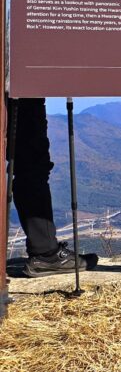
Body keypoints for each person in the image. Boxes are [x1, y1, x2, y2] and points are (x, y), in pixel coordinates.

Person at [7, 98, 98, 277]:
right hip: (21, 89)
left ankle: (45, 252)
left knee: (29, 161)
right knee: (31, 161)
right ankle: (46, 254)